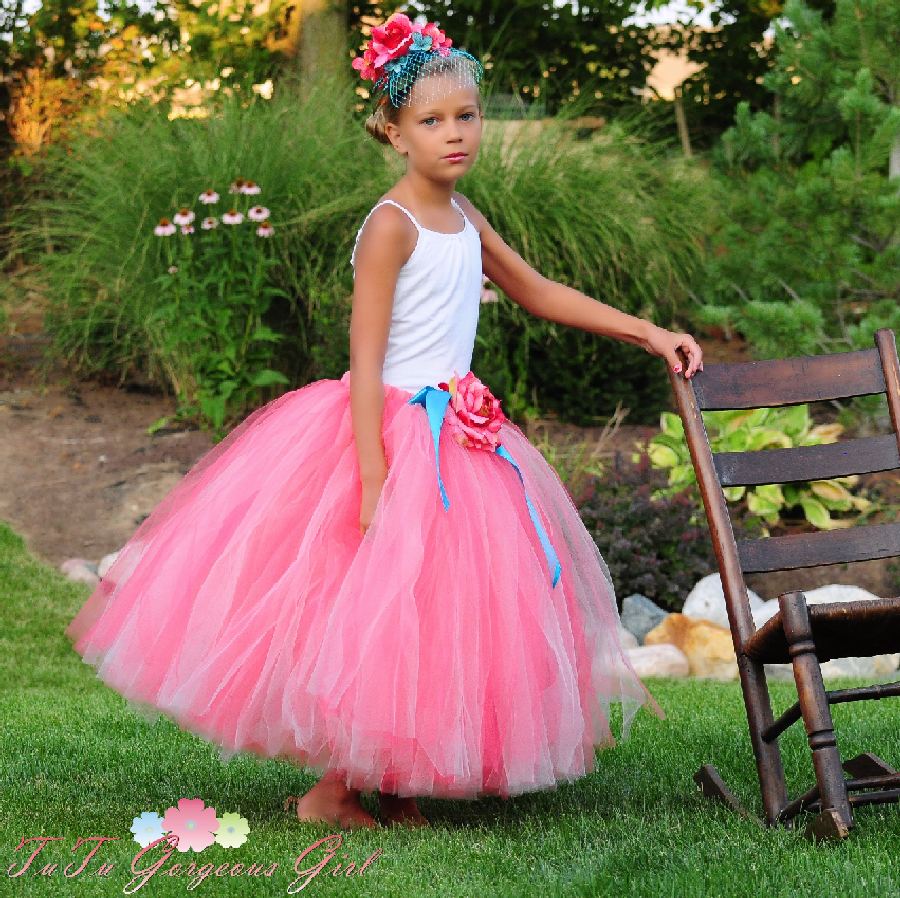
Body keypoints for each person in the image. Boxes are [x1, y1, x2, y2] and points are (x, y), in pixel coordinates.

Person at [65, 12, 704, 833]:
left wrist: (650, 332)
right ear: (393, 132)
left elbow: (539, 291)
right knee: (370, 609)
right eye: (430, 121)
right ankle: (330, 791)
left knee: (435, 614)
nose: (453, 134)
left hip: (462, 442)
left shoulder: (466, 217)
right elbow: (364, 362)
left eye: (465, 116)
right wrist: (372, 475)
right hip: (389, 435)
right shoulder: (391, 226)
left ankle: (394, 776)